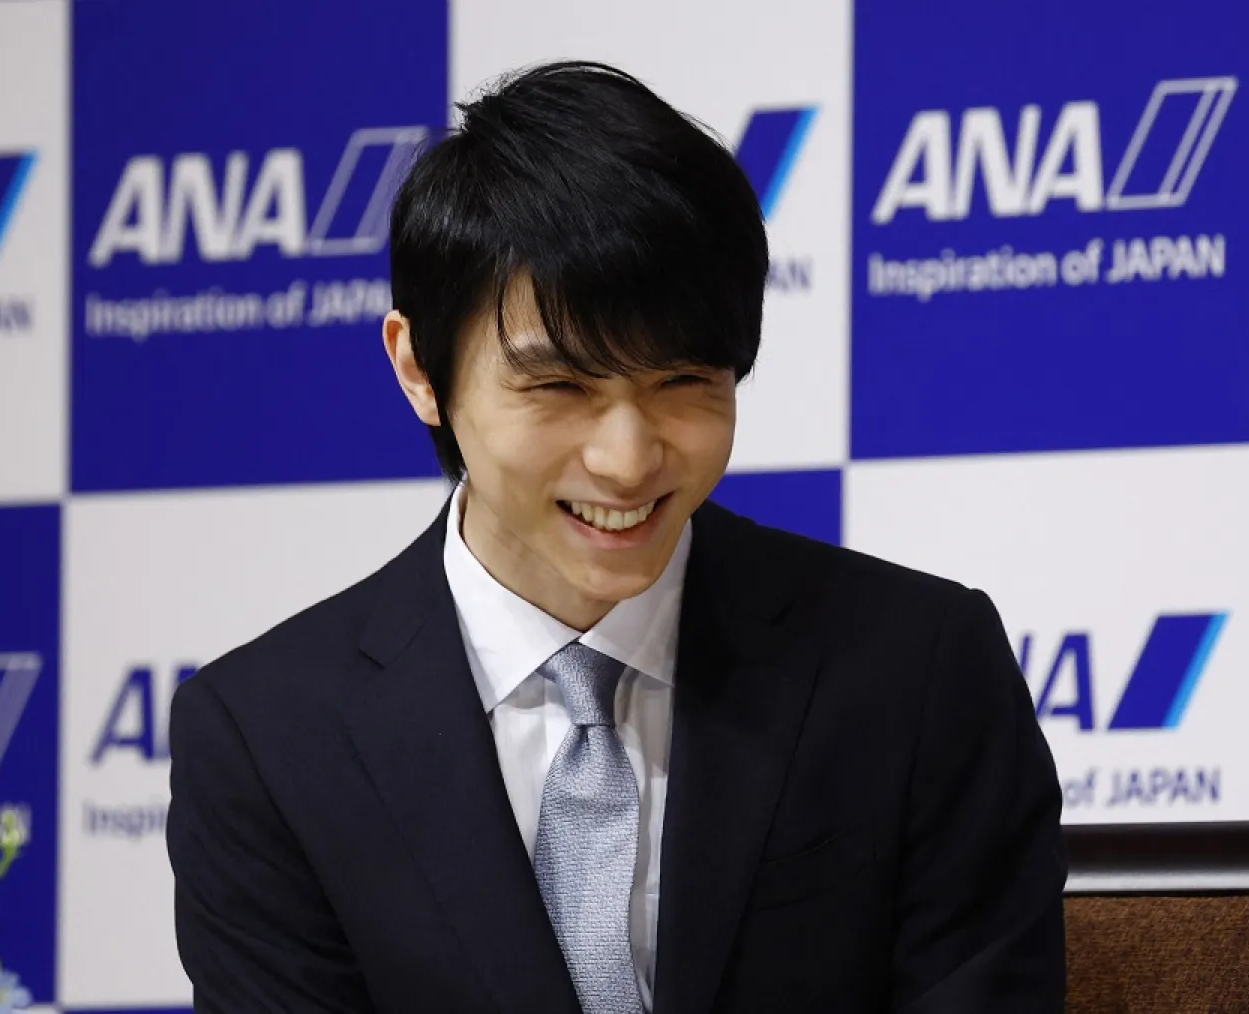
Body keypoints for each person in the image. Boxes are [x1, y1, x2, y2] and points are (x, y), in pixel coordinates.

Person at [166, 61, 1067, 1013]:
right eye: (560, 387)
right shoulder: (268, 738)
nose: (628, 460)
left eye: (684, 382)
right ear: (418, 367)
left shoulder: (916, 669)